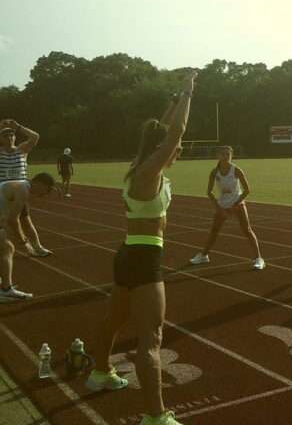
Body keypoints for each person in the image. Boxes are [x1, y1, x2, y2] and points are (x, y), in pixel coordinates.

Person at [85, 74, 195, 425]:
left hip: (128, 254)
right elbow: (173, 133)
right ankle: (156, 417)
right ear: (161, 149)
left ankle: (100, 372)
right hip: (146, 258)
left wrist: (177, 98)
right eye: (173, 149)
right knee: (151, 339)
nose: (177, 151)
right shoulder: (149, 172)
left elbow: (162, 130)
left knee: (114, 319)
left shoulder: (141, 166)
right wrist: (191, 90)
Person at [190, 146, 264, 270]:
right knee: (214, 231)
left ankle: (259, 259)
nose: (225, 157)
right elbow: (209, 192)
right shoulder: (214, 172)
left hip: (237, 203)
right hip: (222, 204)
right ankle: (204, 255)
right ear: (218, 156)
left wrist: (236, 204)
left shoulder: (236, 170)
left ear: (231, 156)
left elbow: (247, 190)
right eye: (223, 154)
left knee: (247, 230)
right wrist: (218, 208)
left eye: (228, 154)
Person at [0, 173, 56, 302]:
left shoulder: (20, 185)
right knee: (7, 248)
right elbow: (13, 220)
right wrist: (24, 242)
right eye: (46, 190)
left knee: (3, 245)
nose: (45, 194)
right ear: (40, 184)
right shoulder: (23, 189)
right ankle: (6, 290)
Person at [0, 120, 52, 257]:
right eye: (5, 136)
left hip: (19, 194)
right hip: (4, 196)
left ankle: (38, 247)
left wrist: (18, 127)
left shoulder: (22, 150)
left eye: (11, 135)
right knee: (6, 225)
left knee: (27, 223)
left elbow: (35, 137)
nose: (9, 138)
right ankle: (19, 247)